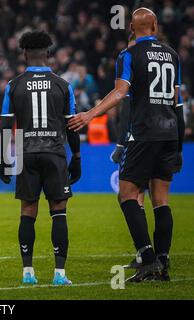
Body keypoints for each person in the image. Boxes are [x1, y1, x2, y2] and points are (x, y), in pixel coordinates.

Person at [69, 8, 184, 282]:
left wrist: (89, 114)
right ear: (154, 25)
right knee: (161, 200)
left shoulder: (128, 55)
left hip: (145, 132)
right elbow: (178, 103)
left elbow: (121, 93)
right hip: (169, 132)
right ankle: (163, 264)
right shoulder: (173, 55)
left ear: (132, 28)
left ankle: (146, 258)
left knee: (127, 194)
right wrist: (178, 144)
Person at [0, 31, 81, 286]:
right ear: (48, 54)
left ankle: (28, 272)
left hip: (27, 154)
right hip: (55, 154)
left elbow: (5, 125)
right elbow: (72, 125)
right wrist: (76, 155)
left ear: (24, 54)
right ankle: (59, 274)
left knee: (27, 212)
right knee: (59, 212)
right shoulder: (63, 85)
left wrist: (3, 159)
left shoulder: (14, 85)